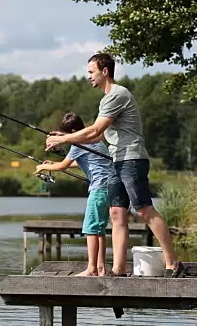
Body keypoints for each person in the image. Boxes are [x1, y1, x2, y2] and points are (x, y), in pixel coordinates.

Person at [44, 53, 185, 278]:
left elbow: (94, 131)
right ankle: (118, 270)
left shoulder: (117, 95)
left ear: (105, 71)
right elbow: (95, 136)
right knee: (117, 213)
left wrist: (63, 140)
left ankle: (173, 263)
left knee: (143, 209)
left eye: (91, 72)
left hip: (131, 158)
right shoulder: (106, 99)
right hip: (116, 160)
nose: (88, 76)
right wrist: (66, 136)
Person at [35, 112, 123, 277]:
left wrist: (43, 167)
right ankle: (101, 268)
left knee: (90, 228)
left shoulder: (77, 144)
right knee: (99, 229)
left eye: (67, 134)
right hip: (110, 187)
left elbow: (63, 166)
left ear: (74, 130)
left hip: (98, 189)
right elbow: (81, 161)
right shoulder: (95, 141)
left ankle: (91, 269)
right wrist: (55, 163)